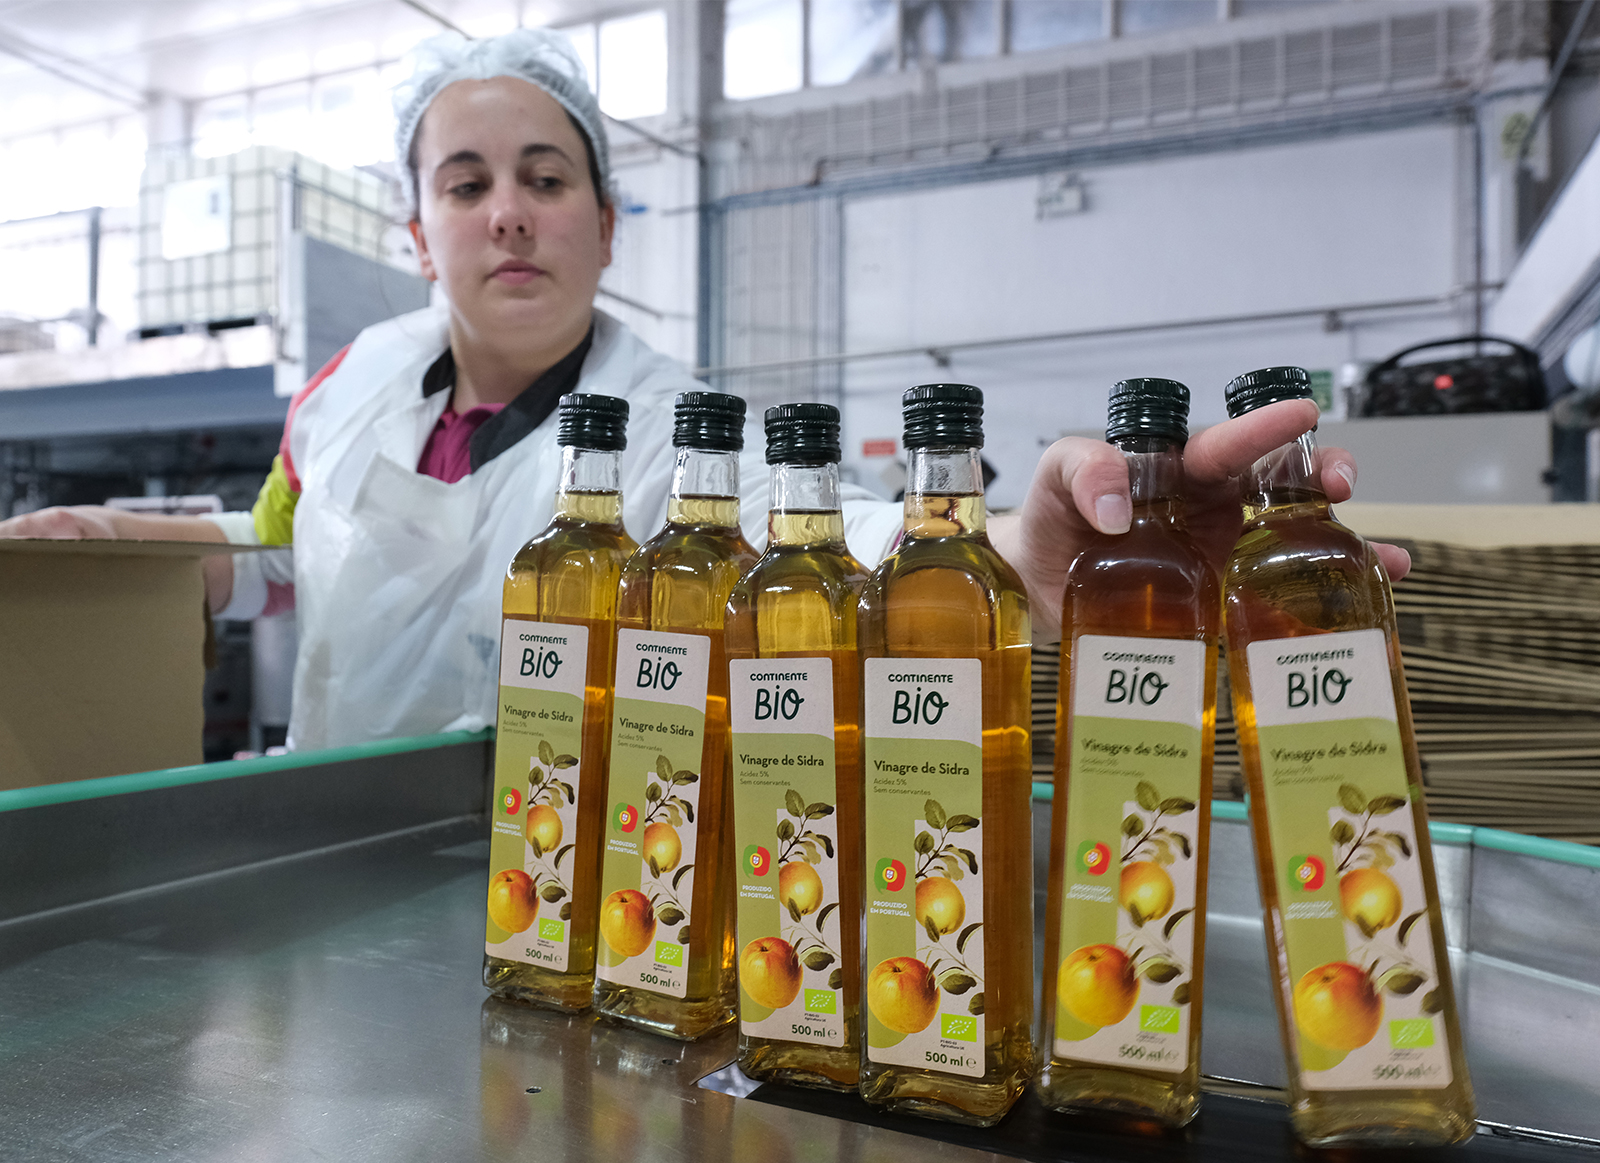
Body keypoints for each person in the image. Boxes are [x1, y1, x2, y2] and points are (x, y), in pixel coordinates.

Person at [0, 28, 1406, 752]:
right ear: (417, 235)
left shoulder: (681, 433)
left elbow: (847, 536)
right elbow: (279, 551)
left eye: (547, 179)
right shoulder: (347, 387)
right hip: (315, 846)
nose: (509, 212)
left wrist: (1016, 557)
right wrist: (132, 555)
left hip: (563, 876)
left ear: (607, 227)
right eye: (466, 184)